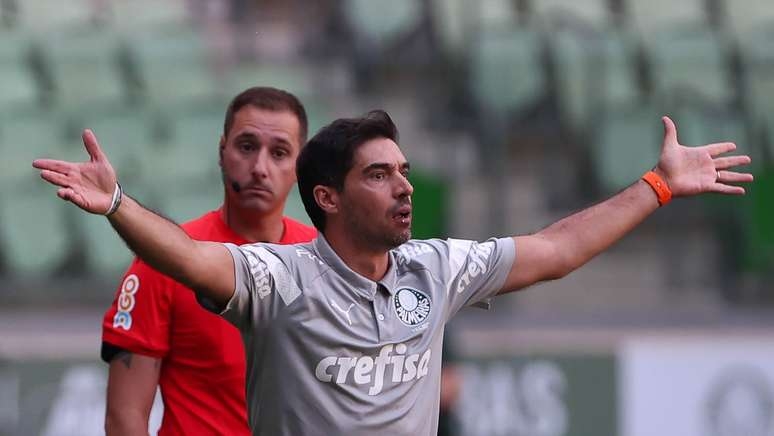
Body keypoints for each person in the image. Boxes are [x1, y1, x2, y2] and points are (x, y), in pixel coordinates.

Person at [33, 110, 753, 435]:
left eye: (405, 171)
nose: (405, 187)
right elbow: (187, 257)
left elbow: (556, 249)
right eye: (380, 175)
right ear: (329, 198)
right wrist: (119, 205)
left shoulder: (435, 268)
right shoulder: (283, 280)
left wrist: (656, 187)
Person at [98, 87, 317, 435]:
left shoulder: (323, 260)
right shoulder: (164, 259)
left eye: (279, 152)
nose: (260, 167)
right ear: (222, 151)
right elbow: (125, 417)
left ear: (299, 166)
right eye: (247, 147)